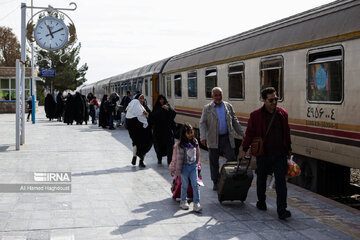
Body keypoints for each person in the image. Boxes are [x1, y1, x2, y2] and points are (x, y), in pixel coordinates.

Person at [241, 87, 292, 220]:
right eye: (271, 100)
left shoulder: (282, 114)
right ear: (264, 100)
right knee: (261, 180)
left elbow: (286, 133)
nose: (274, 102)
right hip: (263, 154)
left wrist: (289, 150)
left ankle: (282, 210)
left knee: (281, 182)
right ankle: (261, 202)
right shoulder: (255, 115)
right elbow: (250, 134)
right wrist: (244, 149)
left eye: (276, 99)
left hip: (279, 154)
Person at [199, 87, 245, 191]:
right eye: (216, 95)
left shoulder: (228, 106)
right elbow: (202, 123)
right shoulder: (207, 108)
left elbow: (235, 121)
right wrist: (203, 137)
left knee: (231, 158)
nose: (218, 97)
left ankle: (228, 178)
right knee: (214, 161)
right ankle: (216, 181)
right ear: (212, 96)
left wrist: (243, 134)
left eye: (220, 95)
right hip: (213, 139)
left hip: (226, 138)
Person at [169, 123, 202, 212]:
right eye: (188, 133)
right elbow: (175, 158)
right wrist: (172, 167)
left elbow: (198, 153)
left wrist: (198, 164)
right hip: (183, 168)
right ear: (184, 134)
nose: (190, 135)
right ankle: (183, 201)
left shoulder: (195, 142)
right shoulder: (179, 145)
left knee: (195, 184)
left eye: (191, 132)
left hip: (193, 167)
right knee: (185, 185)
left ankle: (196, 203)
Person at [125, 93, 152, 168]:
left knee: (140, 144)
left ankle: (139, 159)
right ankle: (137, 158)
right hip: (136, 130)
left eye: (143, 98)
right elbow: (129, 120)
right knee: (139, 144)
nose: (142, 100)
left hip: (143, 130)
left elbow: (150, 115)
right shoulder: (133, 107)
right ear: (137, 99)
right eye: (141, 98)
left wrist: (147, 114)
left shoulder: (144, 107)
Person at [152, 95, 176, 164]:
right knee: (158, 147)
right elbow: (153, 116)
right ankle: (159, 159)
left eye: (163, 99)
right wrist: (160, 110)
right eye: (160, 99)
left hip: (167, 131)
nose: (162, 101)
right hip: (158, 132)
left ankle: (169, 162)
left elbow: (174, 113)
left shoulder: (168, 106)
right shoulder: (156, 107)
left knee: (169, 147)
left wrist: (168, 109)